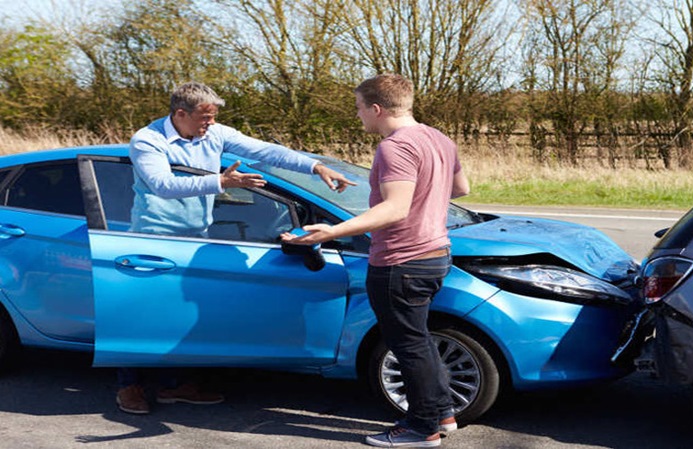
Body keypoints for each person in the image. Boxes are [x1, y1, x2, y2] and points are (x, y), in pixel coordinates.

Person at [116, 81, 355, 415]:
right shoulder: (147, 140)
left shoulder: (214, 134)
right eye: (205, 117)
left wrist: (316, 167)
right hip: (154, 239)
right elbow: (163, 185)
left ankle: (175, 385)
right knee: (144, 315)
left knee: (185, 315)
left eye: (213, 117)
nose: (210, 124)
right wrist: (222, 182)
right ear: (180, 113)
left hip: (197, 238)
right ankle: (129, 385)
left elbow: (266, 151)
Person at [281, 74, 470, 448]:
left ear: (377, 108)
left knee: (408, 344)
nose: (358, 116)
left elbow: (395, 209)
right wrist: (426, 196)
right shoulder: (439, 139)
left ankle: (421, 428)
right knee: (418, 338)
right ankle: (441, 412)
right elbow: (461, 188)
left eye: (358, 108)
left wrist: (332, 231)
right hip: (436, 253)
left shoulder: (394, 147)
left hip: (401, 259)